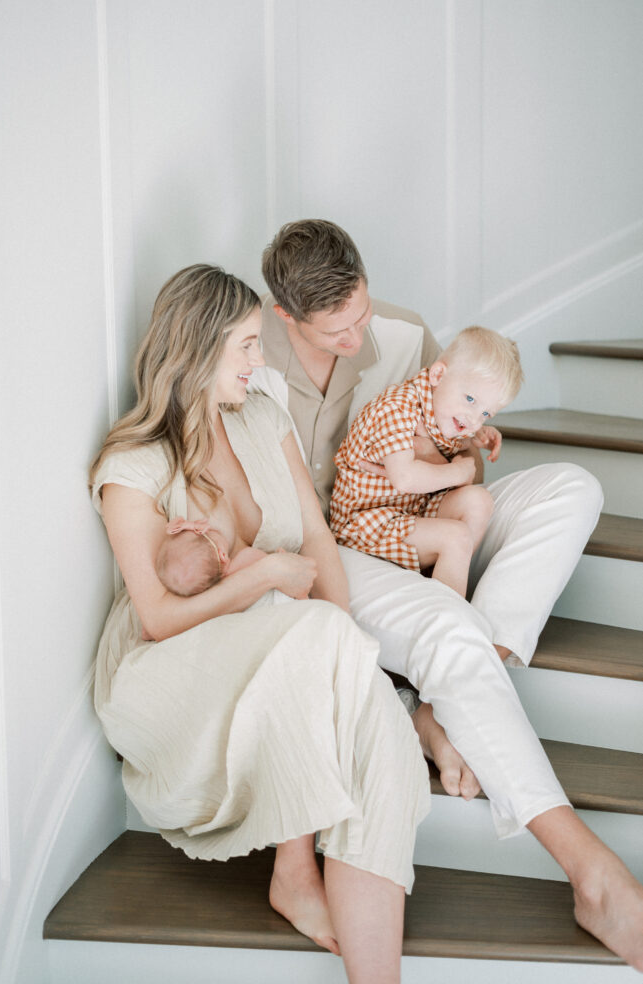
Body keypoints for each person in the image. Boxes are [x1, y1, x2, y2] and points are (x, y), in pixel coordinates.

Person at [252, 218, 643, 970]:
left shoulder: (403, 335)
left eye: (362, 312)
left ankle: (442, 701)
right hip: (338, 545)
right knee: (445, 624)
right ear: (286, 316)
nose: (358, 334)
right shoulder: (253, 368)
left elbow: (456, 431)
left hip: (426, 522)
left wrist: (469, 458)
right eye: (338, 329)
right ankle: (591, 872)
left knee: (572, 486)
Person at [89, 264, 431, 984]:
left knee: (381, 729)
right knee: (315, 634)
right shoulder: (134, 463)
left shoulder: (262, 419)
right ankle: (293, 865)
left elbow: (315, 540)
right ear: (198, 348)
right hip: (172, 668)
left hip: (285, 637)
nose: (258, 360)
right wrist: (264, 578)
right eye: (245, 345)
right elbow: (154, 618)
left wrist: (344, 654)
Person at [330, 326, 523, 600]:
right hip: (365, 523)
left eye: (485, 413)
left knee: (479, 500)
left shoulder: (446, 409)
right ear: (438, 375)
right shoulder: (397, 408)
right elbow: (405, 478)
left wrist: (472, 438)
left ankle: (442, 579)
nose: (472, 419)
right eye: (470, 399)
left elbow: (449, 440)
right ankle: (449, 616)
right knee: (455, 537)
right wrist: (458, 471)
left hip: (410, 511)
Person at [155, 516, 268, 597]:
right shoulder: (246, 558)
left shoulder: (210, 594)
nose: (209, 528)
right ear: (222, 555)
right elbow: (274, 562)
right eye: (209, 532)